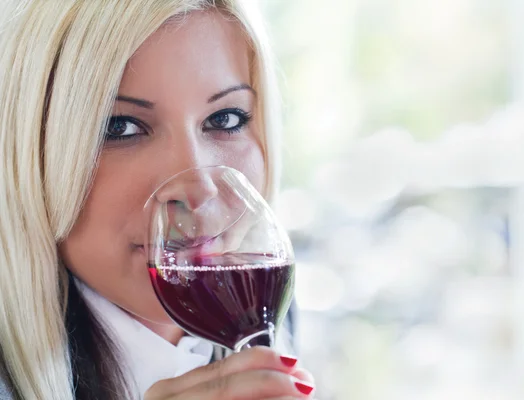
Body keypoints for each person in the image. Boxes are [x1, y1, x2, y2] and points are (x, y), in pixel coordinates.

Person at [0, 1, 314, 399]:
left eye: (225, 119)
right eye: (120, 127)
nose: (199, 190)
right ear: (29, 151)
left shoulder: (263, 317)